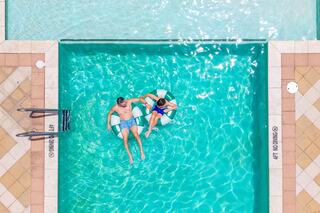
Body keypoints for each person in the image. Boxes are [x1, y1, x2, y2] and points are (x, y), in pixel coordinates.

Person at [107, 97, 148, 164]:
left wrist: (146, 104)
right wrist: (108, 123)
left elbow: (140, 99)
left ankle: (141, 151)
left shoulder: (129, 101)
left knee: (136, 135)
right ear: (119, 104)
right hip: (123, 123)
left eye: (124, 102)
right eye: (123, 103)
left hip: (132, 121)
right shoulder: (115, 107)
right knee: (125, 140)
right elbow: (109, 113)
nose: (125, 103)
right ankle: (130, 156)